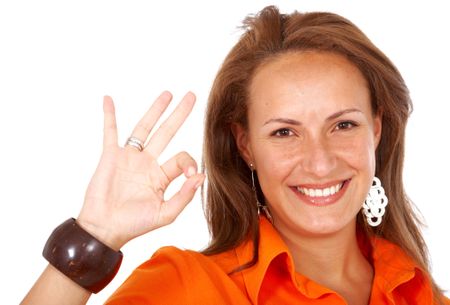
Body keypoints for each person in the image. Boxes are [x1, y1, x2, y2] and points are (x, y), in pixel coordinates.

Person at [21, 5, 449, 305]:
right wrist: (94, 235)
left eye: (343, 125)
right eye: (284, 132)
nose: (320, 162)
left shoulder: (419, 292)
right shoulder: (189, 288)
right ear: (245, 145)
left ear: (376, 129)